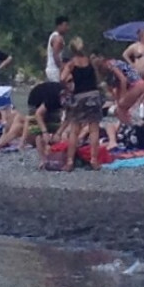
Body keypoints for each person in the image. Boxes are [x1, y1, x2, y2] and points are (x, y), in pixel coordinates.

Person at [53, 37, 108, 171]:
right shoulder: (90, 61)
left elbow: (62, 78)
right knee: (94, 129)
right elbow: (98, 78)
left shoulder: (71, 64)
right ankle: (94, 160)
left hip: (79, 96)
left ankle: (70, 162)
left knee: (74, 130)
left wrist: (68, 87)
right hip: (93, 96)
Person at [45, 16, 69, 82]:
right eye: (65, 25)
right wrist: (62, 68)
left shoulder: (54, 36)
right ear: (59, 26)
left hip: (51, 68)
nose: (67, 28)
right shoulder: (57, 38)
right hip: (54, 70)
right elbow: (55, 55)